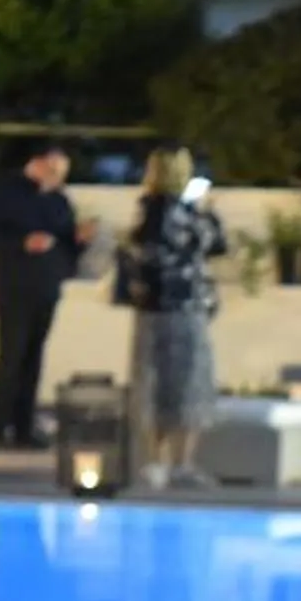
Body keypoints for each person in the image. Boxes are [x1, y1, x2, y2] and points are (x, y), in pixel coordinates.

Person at [120, 145, 227, 488]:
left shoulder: (147, 212)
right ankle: (180, 462)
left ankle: (156, 462)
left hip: (153, 308)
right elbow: (214, 244)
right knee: (186, 384)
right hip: (183, 307)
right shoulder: (180, 214)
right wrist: (207, 212)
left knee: (154, 382)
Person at [0, 137, 90, 448]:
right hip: (14, 284)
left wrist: (79, 240)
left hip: (46, 286)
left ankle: (24, 425)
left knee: (34, 355)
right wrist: (22, 244)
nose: (57, 177)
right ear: (37, 164)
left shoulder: (59, 200)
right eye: (53, 169)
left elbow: (66, 242)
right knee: (12, 354)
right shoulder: (6, 191)